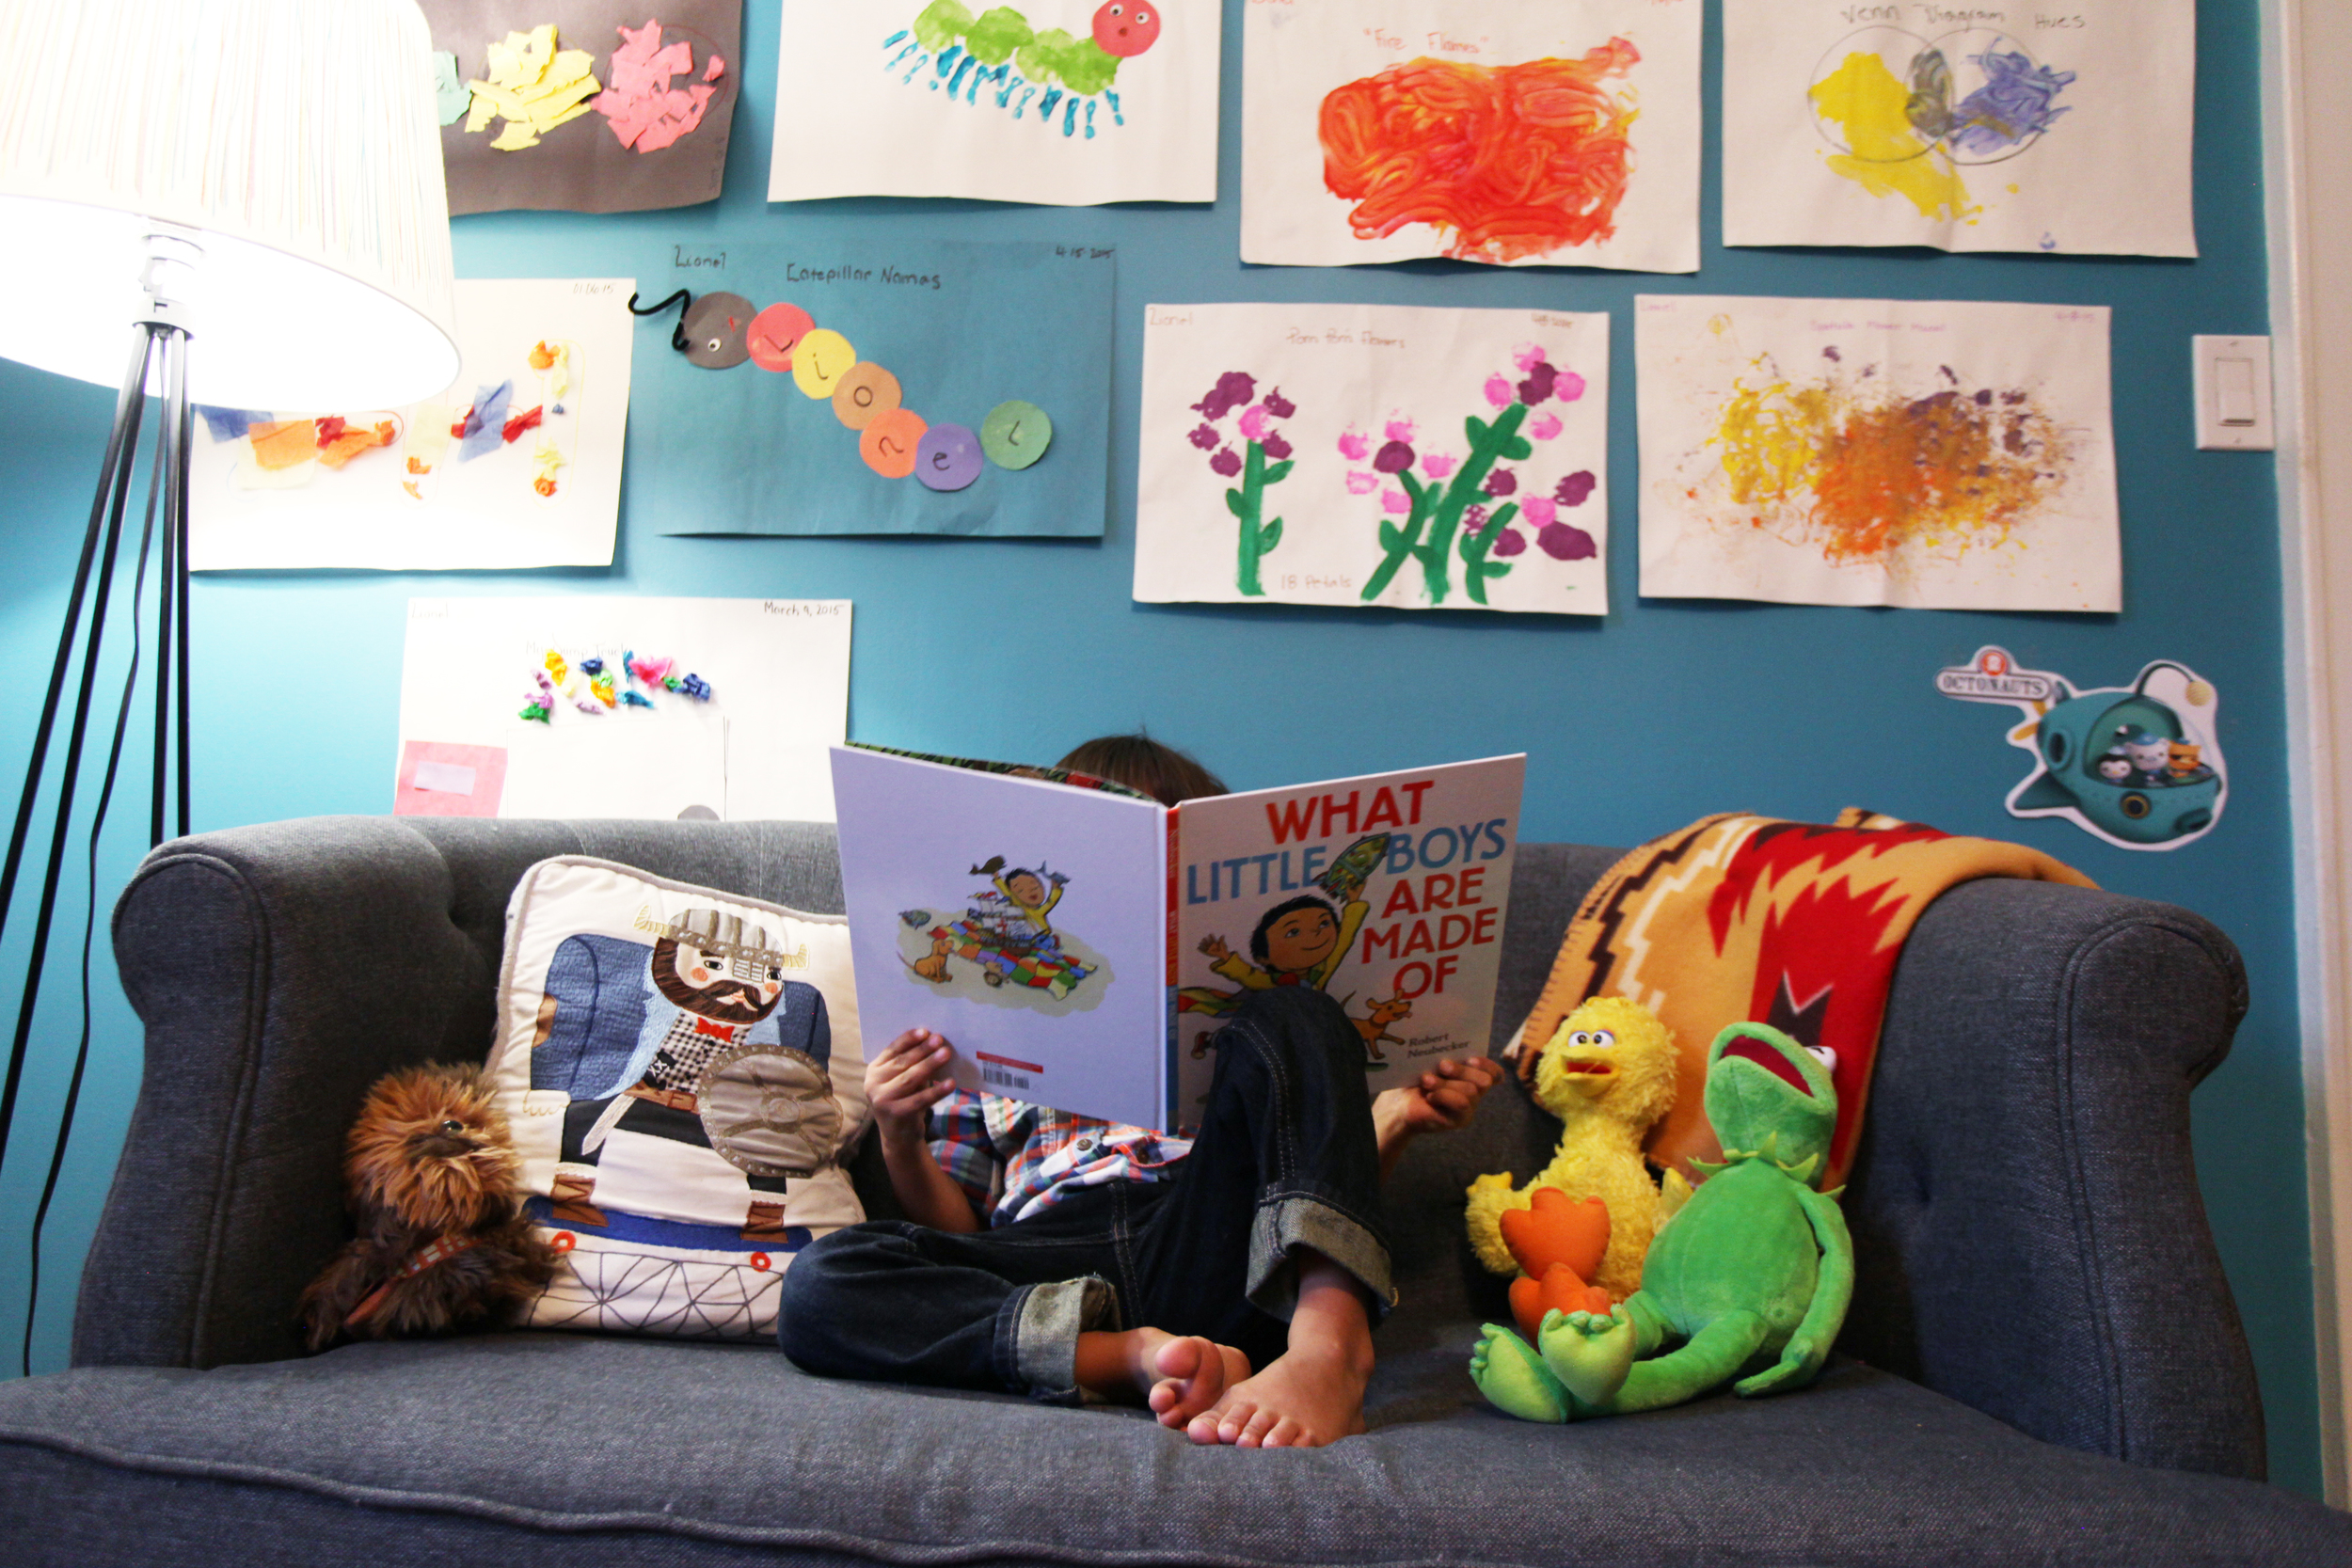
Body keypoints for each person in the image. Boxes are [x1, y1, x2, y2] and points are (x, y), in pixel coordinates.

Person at [777, 736, 1502, 1448]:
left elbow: (1294, 1192)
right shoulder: (975, 1021)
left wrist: (1394, 1122)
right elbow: (960, 1230)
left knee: (1298, 1008)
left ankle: (1329, 1347)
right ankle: (1128, 1358)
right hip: (1048, 1256)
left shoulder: (1248, 1047)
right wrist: (899, 1130)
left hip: (1209, 1233)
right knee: (820, 1284)